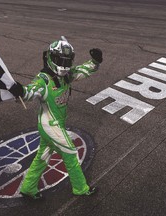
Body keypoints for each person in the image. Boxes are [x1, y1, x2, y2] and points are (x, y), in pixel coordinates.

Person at [9, 37, 103, 199]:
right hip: (50, 125)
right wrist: (21, 91)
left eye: (68, 61)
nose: (65, 65)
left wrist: (95, 61)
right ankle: (80, 188)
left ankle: (28, 188)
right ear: (51, 58)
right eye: (61, 60)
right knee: (71, 153)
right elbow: (31, 91)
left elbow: (84, 70)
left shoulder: (66, 75)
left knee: (42, 157)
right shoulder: (44, 79)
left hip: (54, 124)